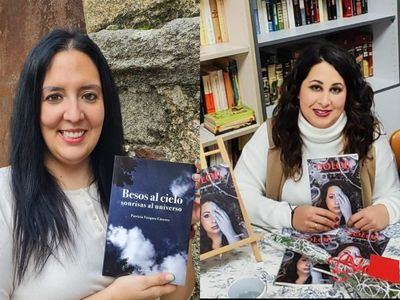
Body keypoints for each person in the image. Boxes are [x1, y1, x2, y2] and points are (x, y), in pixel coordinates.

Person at [0, 29, 198, 300]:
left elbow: (175, 295)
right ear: (32, 107)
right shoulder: (5, 197)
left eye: (89, 95)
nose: (74, 114)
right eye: (54, 96)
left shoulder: (138, 186)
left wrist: (178, 233)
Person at [235, 42, 400, 233]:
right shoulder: (272, 132)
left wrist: (384, 210)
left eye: (336, 89)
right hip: (292, 249)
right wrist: (289, 215)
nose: (324, 101)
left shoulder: (368, 132)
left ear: (348, 94)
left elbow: (393, 194)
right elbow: (240, 196)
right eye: (315, 87)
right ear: (297, 90)